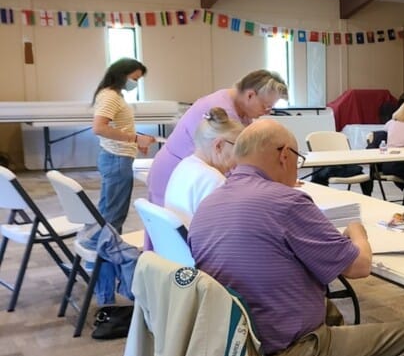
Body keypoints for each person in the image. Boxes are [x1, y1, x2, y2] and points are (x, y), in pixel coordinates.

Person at [189, 119, 404, 356]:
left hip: (232, 351)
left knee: (331, 314)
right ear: (284, 155)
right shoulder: (286, 201)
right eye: (298, 159)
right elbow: (359, 266)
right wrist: (358, 234)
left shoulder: (208, 204)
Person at [147, 70, 287, 209]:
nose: (267, 112)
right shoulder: (223, 111)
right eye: (266, 106)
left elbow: (247, 152)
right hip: (176, 176)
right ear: (250, 95)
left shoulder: (241, 109)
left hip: (190, 177)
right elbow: (238, 160)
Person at [90, 58, 154, 232]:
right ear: (121, 75)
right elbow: (99, 127)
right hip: (116, 159)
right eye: (134, 79)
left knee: (109, 211)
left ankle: (102, 253)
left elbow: (119, 127)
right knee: (114, 215)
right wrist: (134, 139)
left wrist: (137, 139)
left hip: (117, 157)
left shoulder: (114, 95)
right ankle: (108, 254)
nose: (135, 83)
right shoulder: (110, 96)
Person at [163, 107, 243, 224]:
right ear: (218, 145)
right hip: (194, 241)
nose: (238, 161)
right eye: (237, 151)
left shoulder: (184, 165)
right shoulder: (213, 180)